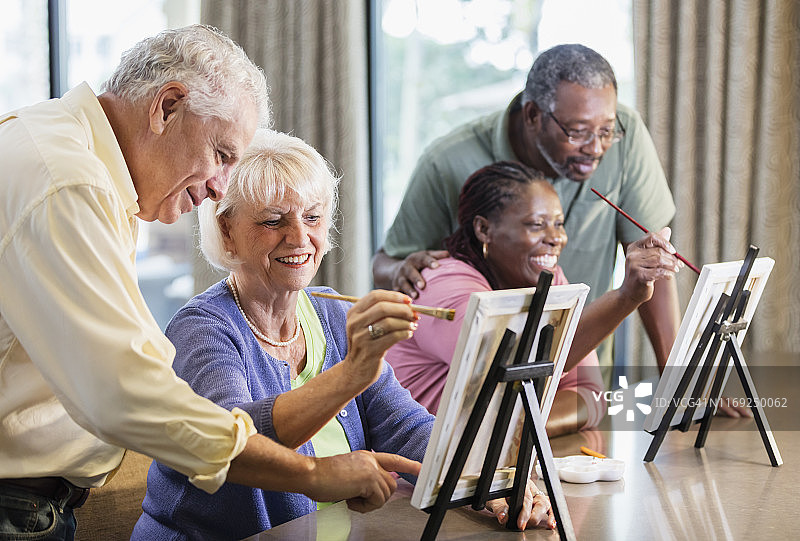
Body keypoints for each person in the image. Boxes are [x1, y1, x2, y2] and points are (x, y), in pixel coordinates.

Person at [0, 25, 417, 541]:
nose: (219, 186)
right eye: (221, 154)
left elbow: (406, 426)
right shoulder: (69, 181)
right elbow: (127, 394)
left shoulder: (74, 161)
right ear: (167, 107)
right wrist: (311, 474)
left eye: (312, 217)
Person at [132, 130, 556, 539]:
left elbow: (405, 427)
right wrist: (352, 371)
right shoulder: (202, 328)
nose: (300, 238)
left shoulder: (333, 312)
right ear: (226, 230)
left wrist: (490, 482)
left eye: (312, 217)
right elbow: (237, 449)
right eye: (273, 220)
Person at [372, 43, 681, 385]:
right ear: (533, 115)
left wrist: (679, 383)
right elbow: (384, 265)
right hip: (479, 381)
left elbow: (653, 264)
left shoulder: (624, 132)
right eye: (577, 132)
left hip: (581, 361)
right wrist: (400, 270)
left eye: (606, 131)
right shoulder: (445, 163)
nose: (596, 148)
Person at [385, 161, 683, 437]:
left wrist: (510, 430)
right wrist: (626, 296)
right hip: (411, 469)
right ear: (483, 229)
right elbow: (516, 366)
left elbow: (588, 394)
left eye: (559, 223)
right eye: (536, 224)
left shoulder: (549, 279)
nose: (555, 238)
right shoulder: (442, 284)